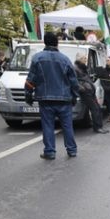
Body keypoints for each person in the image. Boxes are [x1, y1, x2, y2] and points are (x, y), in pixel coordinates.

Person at [24, 31, 80, 159]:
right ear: (57, 43)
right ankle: (71, 150)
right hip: (64, 98)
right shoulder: (65, 59)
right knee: (67, 126)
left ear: (44, 42)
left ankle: (49, 151)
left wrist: (28, 95)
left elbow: (31, 79)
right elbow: (73, 81)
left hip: (45, 98)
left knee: (48, 126)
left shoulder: (37, 58)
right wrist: (74, 96)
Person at [73, 52, 108, 134]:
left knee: (97, 108)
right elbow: (74, 81)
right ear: (80, 59)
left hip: (89, 91)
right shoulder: (75, 68)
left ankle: (98, 126)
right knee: (95, 109)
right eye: (84, 58)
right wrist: (82, 89)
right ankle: (98, 127)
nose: (86, 60)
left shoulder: (82, 68)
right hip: (86, 93)